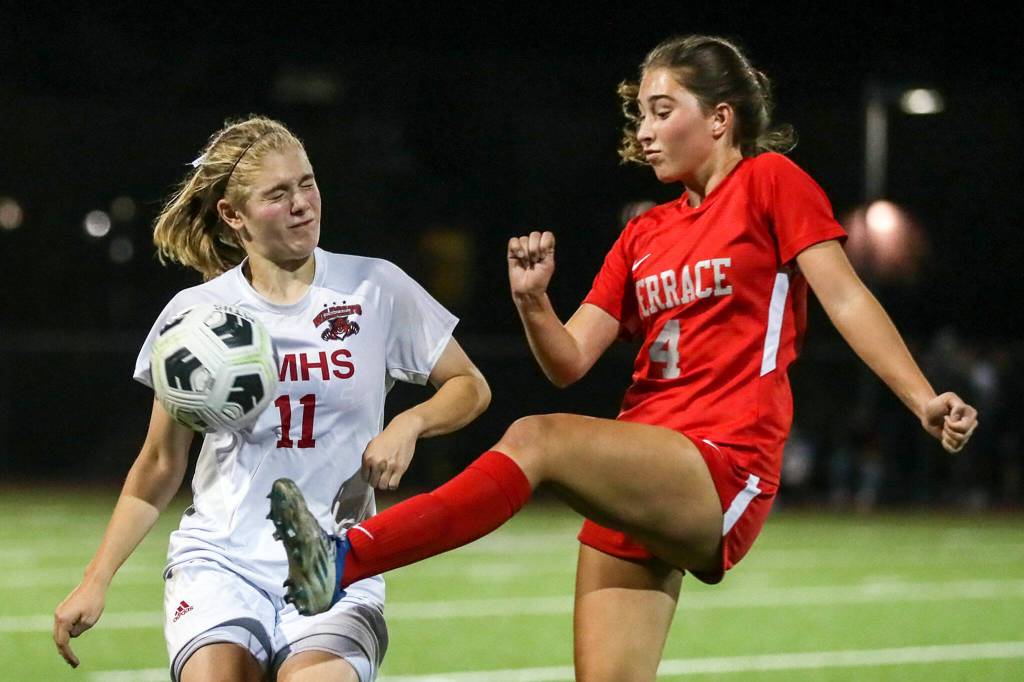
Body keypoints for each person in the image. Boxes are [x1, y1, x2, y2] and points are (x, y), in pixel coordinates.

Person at [269, 35, 980, 680]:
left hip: (722, 459)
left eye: (662, 110)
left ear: (721, 118)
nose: (642, 131)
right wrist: (533, 303)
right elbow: (570, 359)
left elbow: (846, 298)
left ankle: (343, 558)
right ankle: (338, 561)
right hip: (643, 466)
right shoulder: (646, 232)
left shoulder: (769, 183)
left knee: (537, 438)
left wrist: (923, 397)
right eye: (639, 114)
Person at [52, 116, 491, 682]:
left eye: (307, 184)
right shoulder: (195, 318)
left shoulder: (373, 287)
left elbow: (470, 385)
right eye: (278, 194)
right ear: (233, 216)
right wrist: (97, 577)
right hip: (221, 560)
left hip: (335, 563)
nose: (302, 204)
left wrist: (410, 423)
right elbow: (160, 463)